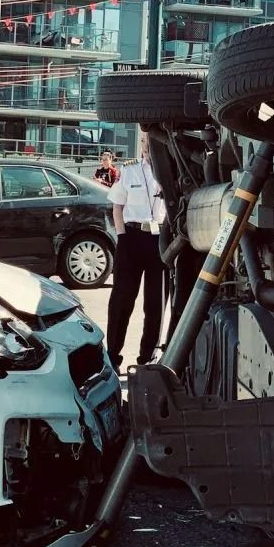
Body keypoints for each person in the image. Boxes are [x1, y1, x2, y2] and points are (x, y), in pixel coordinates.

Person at [106, 132, 167, 369]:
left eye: (149, 142)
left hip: (159, 239)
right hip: (131, 237)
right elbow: (117, 208)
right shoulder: (129, 170)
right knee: (122, 300)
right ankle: (113, 355)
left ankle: (147, 358)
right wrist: (122, 236)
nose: (145, 147)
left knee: (155, 303)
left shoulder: (168, 170)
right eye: (142, 142)